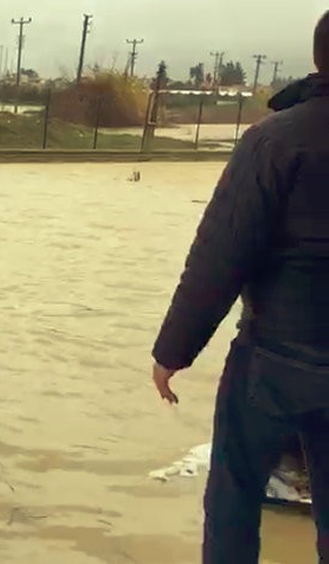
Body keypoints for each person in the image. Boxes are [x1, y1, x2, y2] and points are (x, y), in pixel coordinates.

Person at [150, 11, 329, 562]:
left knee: (234, 496)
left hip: (273, 360)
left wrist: (173, 351)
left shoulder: (274, 140)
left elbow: (220, 253)